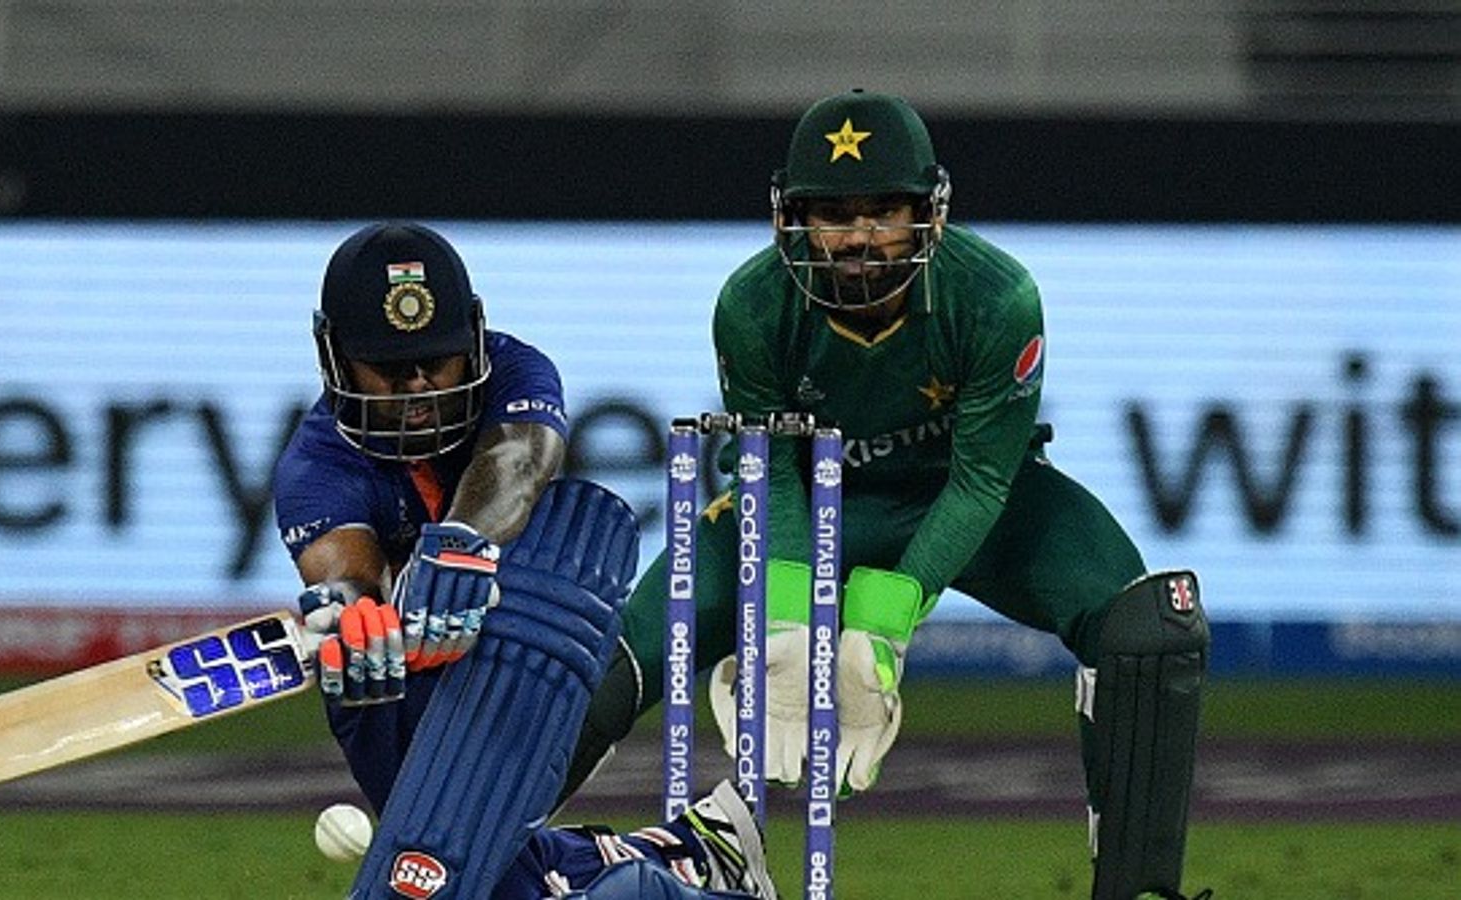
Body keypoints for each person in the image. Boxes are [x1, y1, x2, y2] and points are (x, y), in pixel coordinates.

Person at [562, 92, 1213, 900]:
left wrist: (882, 621)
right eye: (834, 215)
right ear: (794, 219)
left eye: (883, 213)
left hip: (965, 507)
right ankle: (477, 861)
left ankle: (1139, 891)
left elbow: (983, 478)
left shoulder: (995, 297)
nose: (860, 237)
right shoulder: (753, 304)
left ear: (928, 214)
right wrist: (788, 615)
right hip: (804, 506)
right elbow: (773, 471)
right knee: (605, 662)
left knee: (1149, 627)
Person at [272, 221, 777, 899]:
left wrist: (461, 545)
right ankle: (680, 856)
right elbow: (347, 576)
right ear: (336, 359)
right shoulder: (314, 467)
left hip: (543, 641)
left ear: (474, 339)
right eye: (390, 369)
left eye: (439, 360)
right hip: (421, 676)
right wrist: (357, 618)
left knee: (449, 859)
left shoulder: (516, 371)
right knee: (388, 739)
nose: (419, 387)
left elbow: (519, 458)